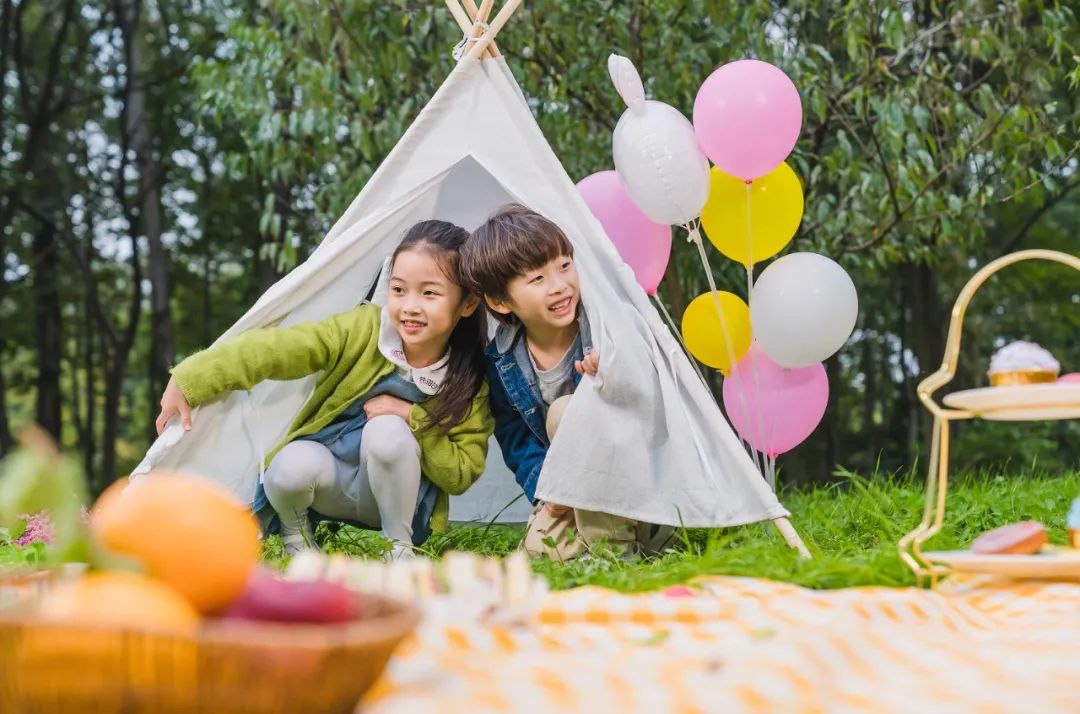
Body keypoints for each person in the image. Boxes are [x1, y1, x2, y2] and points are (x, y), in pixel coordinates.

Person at [156, 220, 493, 559]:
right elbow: (277, 349)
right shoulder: (363, 329)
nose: (410, 306)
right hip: (332, 480)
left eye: (429, 293)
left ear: (466, 304)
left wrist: (413, 416)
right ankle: (296, 537)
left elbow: (462, 472)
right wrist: (191, 378)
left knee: (388, 429)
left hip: (399, 498)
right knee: (288, 468)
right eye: (399, 289)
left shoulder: (467, 377)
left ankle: (399, 549)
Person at [462, 204, 671, 561]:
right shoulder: (502, 360)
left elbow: (655, 400)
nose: (559, 286)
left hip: (634, 472)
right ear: (500, 300)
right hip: (573, 485)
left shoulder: (606, 326)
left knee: (567, 413)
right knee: (538, 548)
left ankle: (616, 552)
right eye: (537, 279)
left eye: (564, 266)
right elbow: (517, 441)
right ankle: (648, 538)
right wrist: (549, 489)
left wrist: (616, 374)